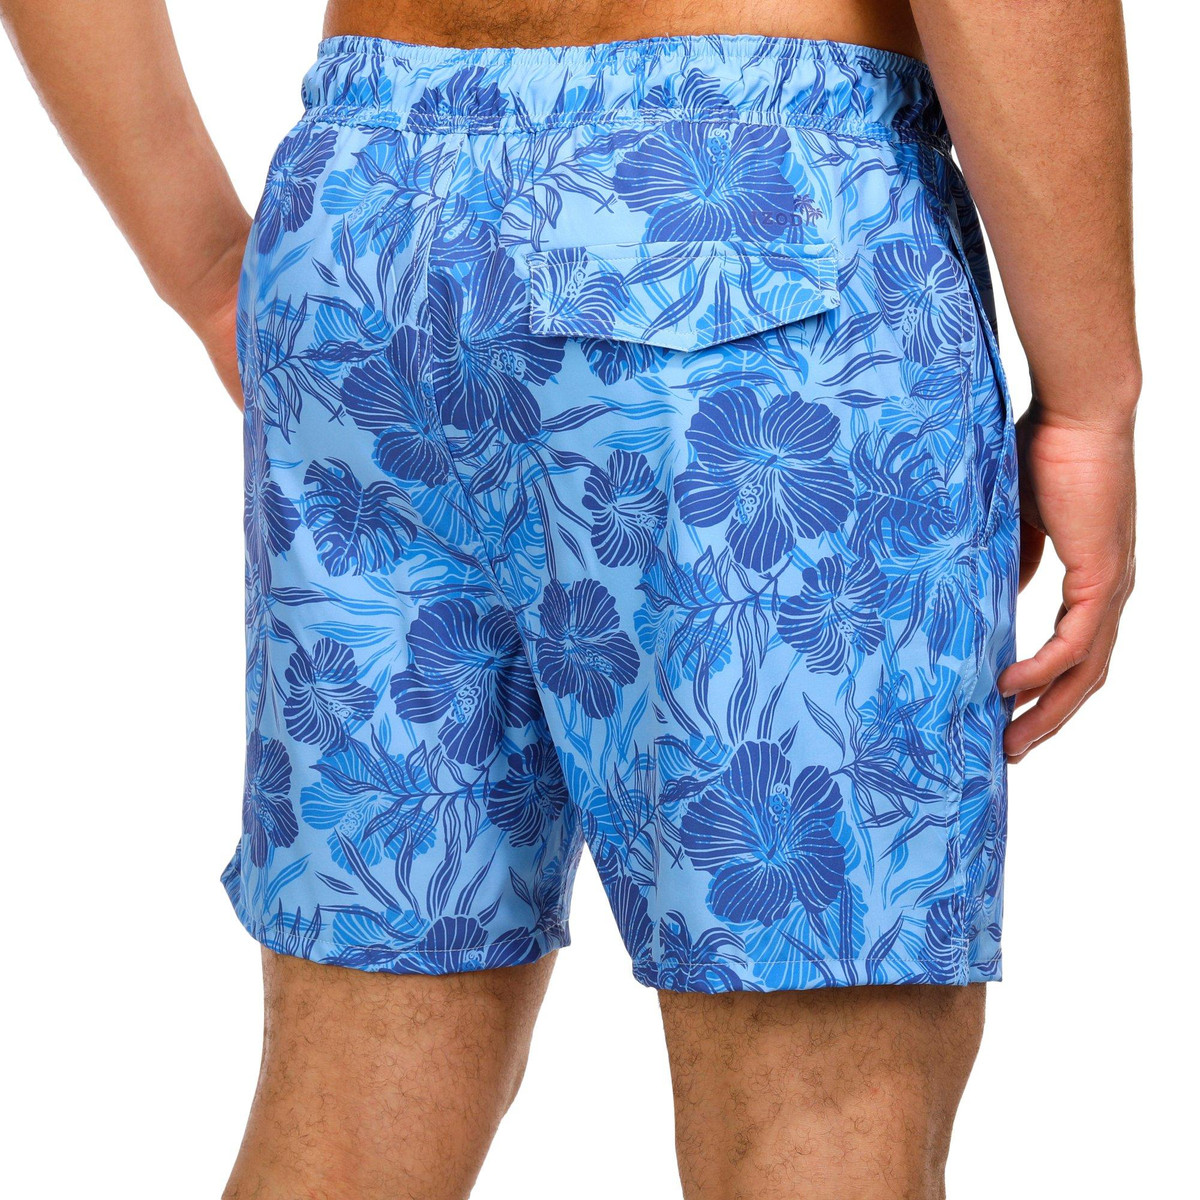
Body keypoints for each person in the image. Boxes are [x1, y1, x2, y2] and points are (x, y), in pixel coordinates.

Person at [1, 0, 1138, 1196]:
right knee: (817, 1114)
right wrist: (1090, 400)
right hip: (742, 231)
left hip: (371, 216)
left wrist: (203, 265)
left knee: (349, 1115)